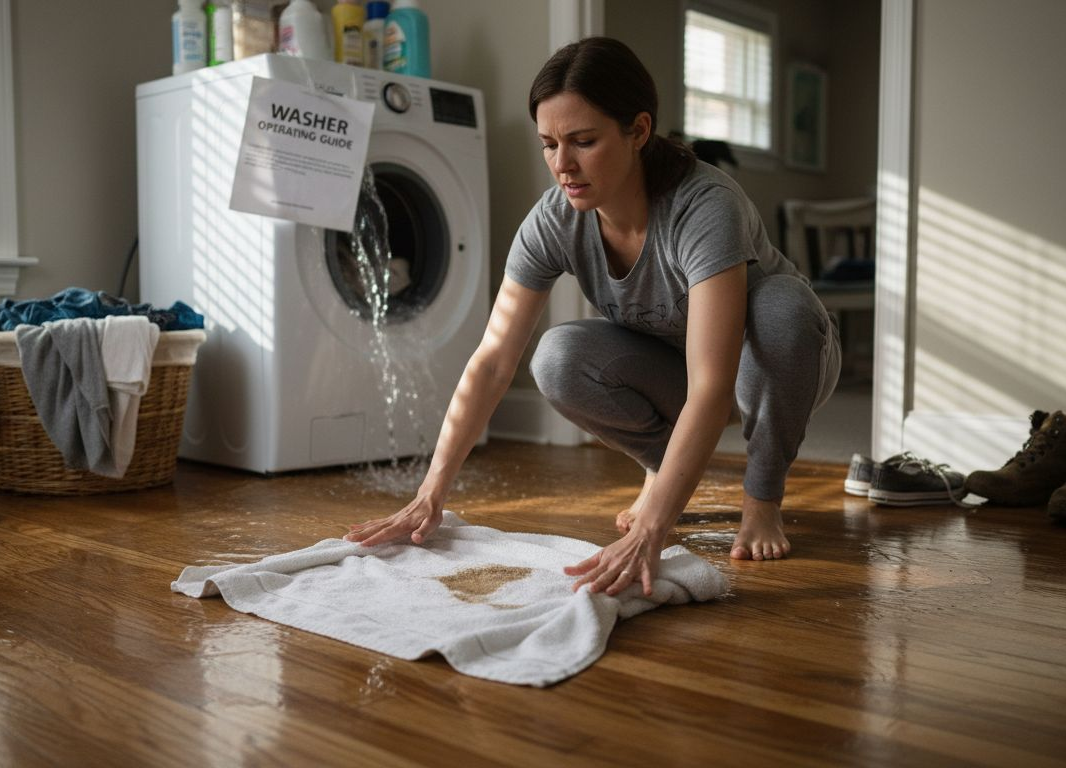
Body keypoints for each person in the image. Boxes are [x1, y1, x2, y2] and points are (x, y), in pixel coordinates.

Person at [345, 37, 839, 595]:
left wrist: (653, 531)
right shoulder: (554, 221)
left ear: (639, 131)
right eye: (549, 144)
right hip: (678, 374)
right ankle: (664, 470)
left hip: (772, 365)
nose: (563, 165)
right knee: (558, 356)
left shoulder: (705, 207)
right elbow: (492, 360)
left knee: (782, 308)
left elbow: (712, 383)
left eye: (583, 141)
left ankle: (762, 497)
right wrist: (430, 492)